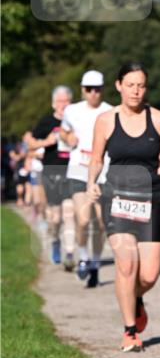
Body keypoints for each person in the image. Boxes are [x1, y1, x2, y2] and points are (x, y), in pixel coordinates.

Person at [88, 62, 160, 352]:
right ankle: (129, 330)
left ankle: (136, 298)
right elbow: (96, 157)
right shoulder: (105, 120)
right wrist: (91, 182)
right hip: (116, 198)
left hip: (152, 199)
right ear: (118, 86)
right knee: (126, 265)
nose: (136, 91)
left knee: (148, 275)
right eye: (130, 85)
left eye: (141, 85)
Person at [60, 70, 113, 284]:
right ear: (82, 90)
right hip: (79, 169)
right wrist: (67, 136)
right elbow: (63, 132)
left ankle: (95, 263)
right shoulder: (71, 111)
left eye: (97, 89)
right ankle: (82, 257)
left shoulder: (110, 111)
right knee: (82, 218)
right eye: (89, 89)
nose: (93, 93)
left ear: (102, 90)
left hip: (103, 171)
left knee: (100, 223)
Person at [29, 86, 73, 263]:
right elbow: (31, 143)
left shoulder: (76, 119)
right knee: (56, 217)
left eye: (66, 101)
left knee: (70, 213)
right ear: (54, 104)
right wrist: (46, 141)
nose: (63, 105)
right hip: (52, 171)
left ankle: (70, 253)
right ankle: (55, 241)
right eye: (60, 101)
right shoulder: (46, 121)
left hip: (73, 170)